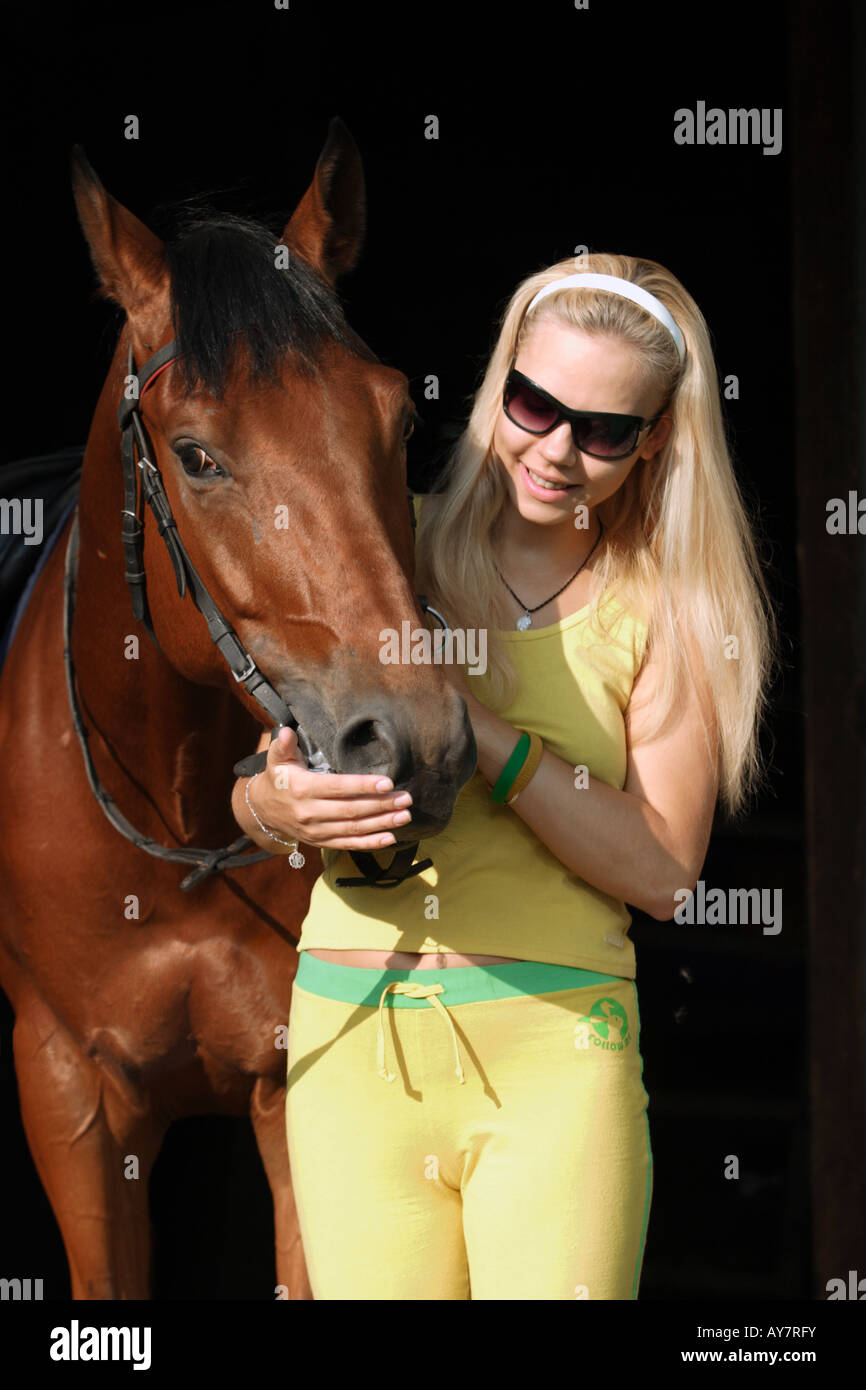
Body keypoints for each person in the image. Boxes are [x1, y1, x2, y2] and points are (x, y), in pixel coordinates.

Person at [231, 253, 778, 1300]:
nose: (557, 449)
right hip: (353, 1037)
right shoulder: (389, 553)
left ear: (655, 437)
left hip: (555, 1047)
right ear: (499, 384)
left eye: (604, 429)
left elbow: (663, 872)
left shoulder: (671, 608)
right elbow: (263, 782)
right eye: (533, 404)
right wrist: (272, 803)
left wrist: (479, 730)